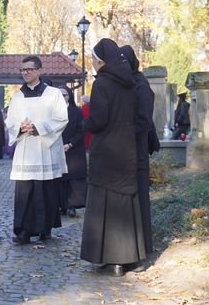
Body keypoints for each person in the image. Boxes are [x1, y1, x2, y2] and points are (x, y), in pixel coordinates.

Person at [80, 39, 145, 277]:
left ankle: (110, 259)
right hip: (126, 147)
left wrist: (83, 121)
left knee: (104, 203)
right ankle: (126, 259)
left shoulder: (103, 84)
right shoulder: (129, 83)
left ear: (100, 61)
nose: (93, 63)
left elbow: (99, 120)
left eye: (94, 59)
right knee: (124, 202)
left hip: (106, 150)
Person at [5, 56, 68, 244]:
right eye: (23, 70)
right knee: (25, 193)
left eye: (29, 69)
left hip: (45, 148)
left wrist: (38, 128)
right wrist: (20, 126)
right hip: (26, 149)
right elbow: (10, 120)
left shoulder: (53, 94)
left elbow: (61, 118)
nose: (25, 73)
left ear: (39, 70)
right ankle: (23, 231)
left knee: (45, 191)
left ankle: (44, 229)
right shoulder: (17, 96)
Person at [121, 45, 155, 257]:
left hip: (137, 149)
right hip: (126, 149)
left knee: (140, 197)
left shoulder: (141, 86)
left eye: (126, 61)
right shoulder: (129, 83)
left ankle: (143, 247)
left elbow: (143, 121)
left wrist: (122, 134)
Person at [58, 85, 88, 218]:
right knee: (60, 179)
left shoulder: (76, 111)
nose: (62, 97)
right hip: (57, 148)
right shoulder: (53, 111)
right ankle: (62, 205)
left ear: (69, 96)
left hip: (73, 149)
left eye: (64, 95)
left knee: (73, 179)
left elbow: (81, 130)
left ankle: (72, 206)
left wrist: (70, 144)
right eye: (59, 95)